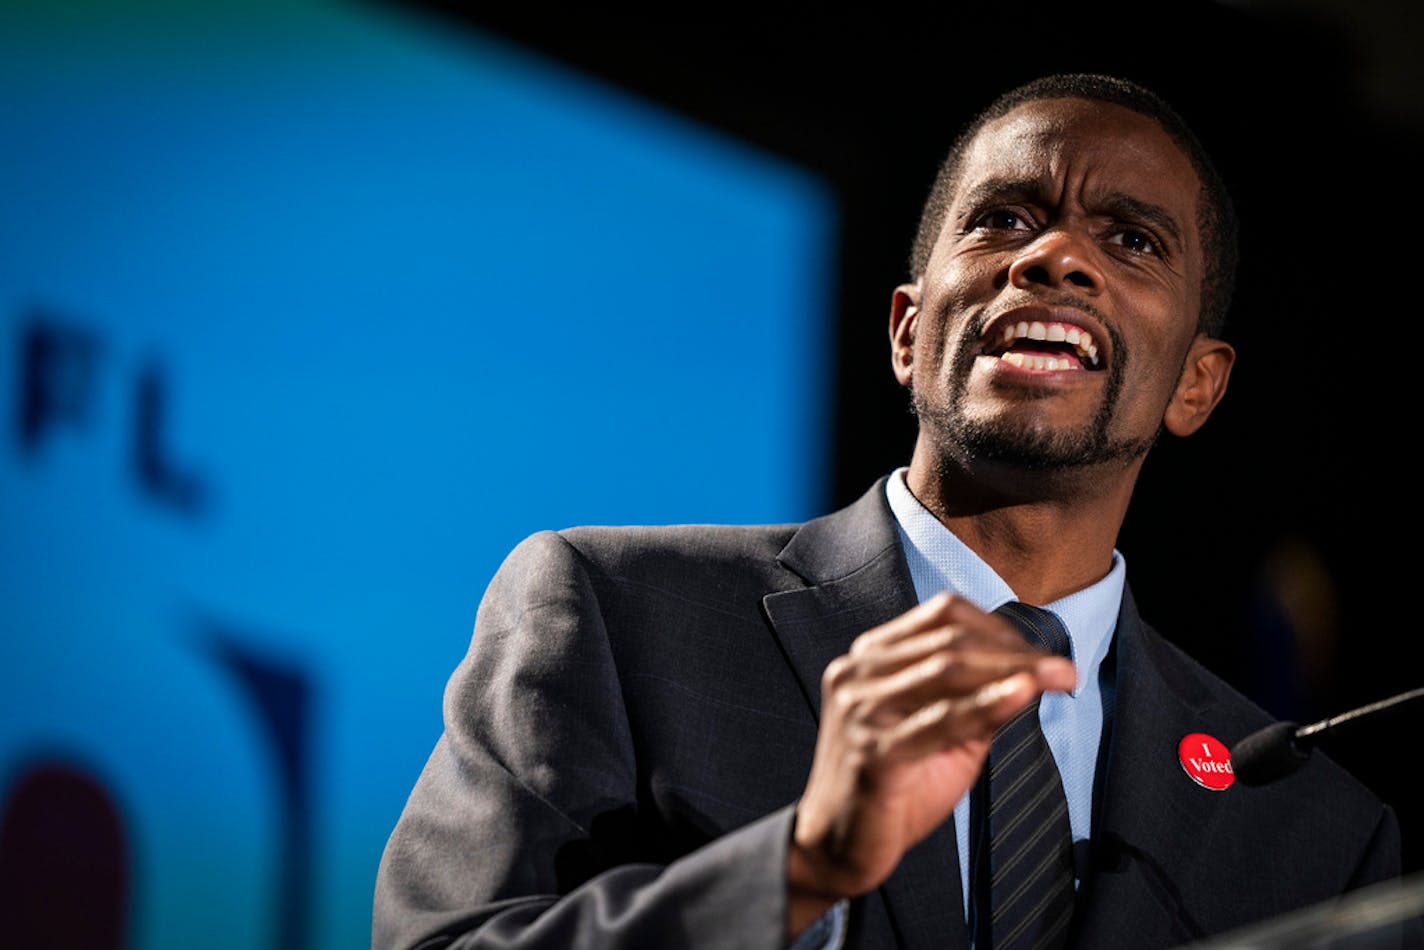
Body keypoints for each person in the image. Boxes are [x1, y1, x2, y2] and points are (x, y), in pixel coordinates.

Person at [373, 73, 1408, 949]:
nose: (1052, 257)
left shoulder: (1308, 821)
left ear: (1195, 382)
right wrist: (800, 864)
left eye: (1130, 240)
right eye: (1002, 218)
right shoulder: (616, 608)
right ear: (908, 332)